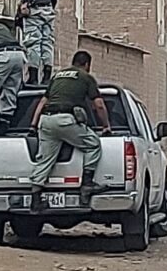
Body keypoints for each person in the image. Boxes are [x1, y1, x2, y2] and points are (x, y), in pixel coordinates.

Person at [29, 51, 111, 212]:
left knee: (44, 160)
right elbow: (99, 105)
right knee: (93, 144)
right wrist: (106, 126)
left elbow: (43, 101)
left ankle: (35, 200)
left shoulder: (57, 76)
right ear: (87, 64)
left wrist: (33, 125)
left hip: (46, 121)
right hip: (65, 120)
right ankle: (87, 185)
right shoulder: (86, 77)